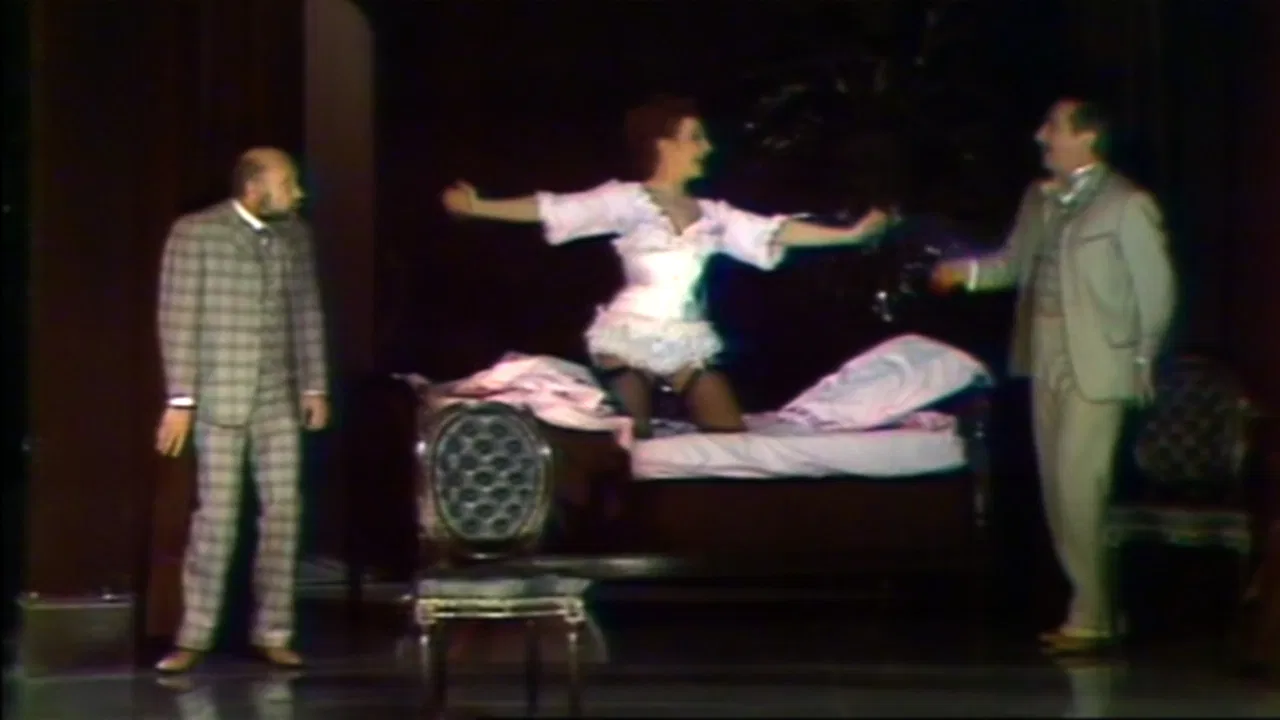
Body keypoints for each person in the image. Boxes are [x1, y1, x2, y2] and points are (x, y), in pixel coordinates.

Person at [441, 95, 891, 438]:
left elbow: (773, 232)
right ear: (664, 143)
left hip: (684, 339)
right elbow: (554, 208)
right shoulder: (627, 200)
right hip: (627, 335)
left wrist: (850, 235)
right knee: (628, 435)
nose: (706, 148)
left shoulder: (711, 214)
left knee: (729, 433)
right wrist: (479, 206)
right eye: (696, 137)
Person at [931, 97, 1177, 653]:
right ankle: (1094, 610)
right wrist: (964, 273)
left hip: (1099, 363)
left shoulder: (1126, 204)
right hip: (1045, 359)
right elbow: (1011, 264)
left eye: (1054, 127)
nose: (1042, 137)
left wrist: (1142, 360)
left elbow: (1156, 292)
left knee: (1079, 486)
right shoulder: (1039, 200)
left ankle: (1092, 616)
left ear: (1087, 137)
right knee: (1057, 491)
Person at [152, 147, 330, 673]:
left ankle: (273, 631)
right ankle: (194, 636)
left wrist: (314, 386)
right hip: (220, 397)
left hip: (277, 398)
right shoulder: (196, 234)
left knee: (284, 513)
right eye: (288, 182)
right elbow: (176, 319)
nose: (298, 193)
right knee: (217, 517)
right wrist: (181, 399)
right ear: (254, 187)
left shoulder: (295, 235)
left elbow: (307, 313)